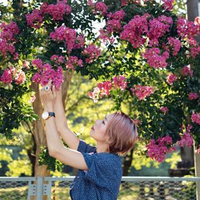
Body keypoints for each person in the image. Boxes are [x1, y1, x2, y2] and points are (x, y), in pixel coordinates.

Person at [40, 81, 138, 200]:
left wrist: (48, 107)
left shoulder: (108, 162)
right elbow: (62, 128)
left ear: (111, 138)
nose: (97, 121)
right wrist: (57, 92)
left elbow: (56, 150)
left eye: (103, 122)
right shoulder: (94, 154)